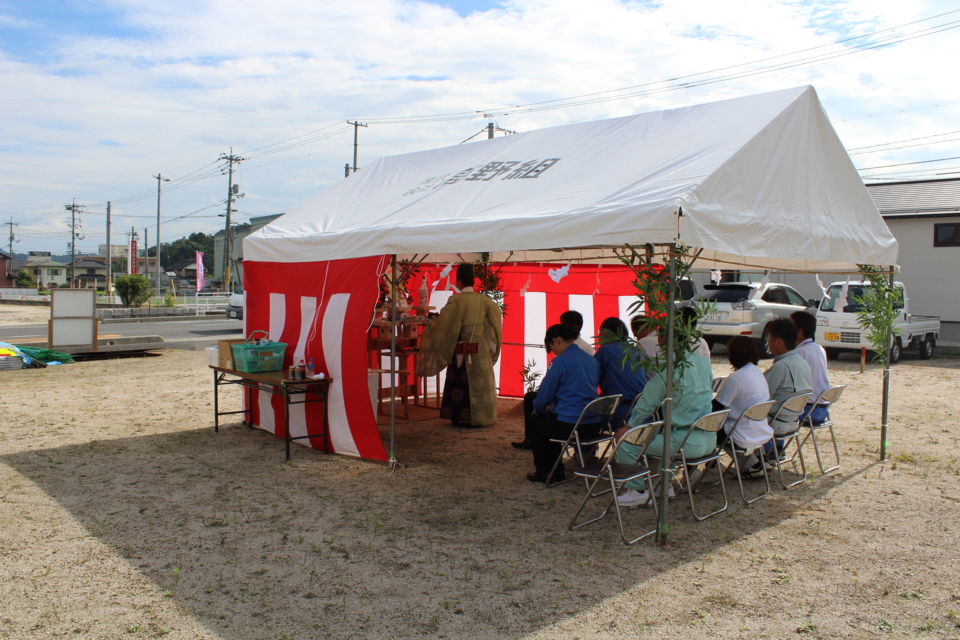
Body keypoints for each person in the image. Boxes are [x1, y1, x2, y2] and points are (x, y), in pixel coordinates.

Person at [615, 328, 714, 507]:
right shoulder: (702, 361)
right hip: (708, 438)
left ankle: (636, 491)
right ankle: (664, 485)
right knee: (665, 434)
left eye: (660, 334)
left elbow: (649, 400)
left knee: (626, 442)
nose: (658, 340)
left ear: (666, 338)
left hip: (685, 441)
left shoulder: (672, 365)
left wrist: (631, 427)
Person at [417, 263, 502, 427]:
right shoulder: (485, 300)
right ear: (473, 280)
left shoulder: (456, 300)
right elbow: (494, 324)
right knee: (479, 381)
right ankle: (482, 417)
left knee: (459, 382)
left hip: (461, 348)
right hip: (481, 349)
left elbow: (445, 324)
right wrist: (491, 346)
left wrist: (430, 324)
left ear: (459, 281)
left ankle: (460, 416)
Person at [524, 324, 600, 483]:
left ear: (556, 341)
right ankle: (555, 470)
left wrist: (537, 409)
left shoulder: (560, 362)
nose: (553, 352)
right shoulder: (591, 360)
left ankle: (546, 471)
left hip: (572, 425)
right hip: (593, 424)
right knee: (550, 420)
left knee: (535, 422)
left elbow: (545, 393)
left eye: (551, 348)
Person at [713, 336, 772, 450]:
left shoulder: (736, 378)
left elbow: (717, 407)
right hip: (760, 429)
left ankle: (712, 465)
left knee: (705, 429)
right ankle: (752, 463)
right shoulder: (757, 373)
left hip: (739, 433)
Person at [763, 318, 813, 436]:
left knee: (734, 425)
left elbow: (762, 396)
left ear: (778, 341)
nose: (768, 341)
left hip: (775, 422)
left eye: (769, 338)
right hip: (793, 420)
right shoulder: (802, 362)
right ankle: (770, 453)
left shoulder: (781, 367)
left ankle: (755, 455)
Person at [594, 317, 646, 428]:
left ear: (606, 334)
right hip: (643, 411)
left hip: (621, 413)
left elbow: (589, 379)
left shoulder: (605, 350)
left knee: (581, 418)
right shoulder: (633, 349)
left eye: (600, 331)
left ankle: (585, 445)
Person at [791, 310, 831, 424]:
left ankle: (777, 442)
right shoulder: (819, 348)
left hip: (808, 410)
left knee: (775, 416)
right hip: (823, 409)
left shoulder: (800, 352)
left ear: (799, 331)